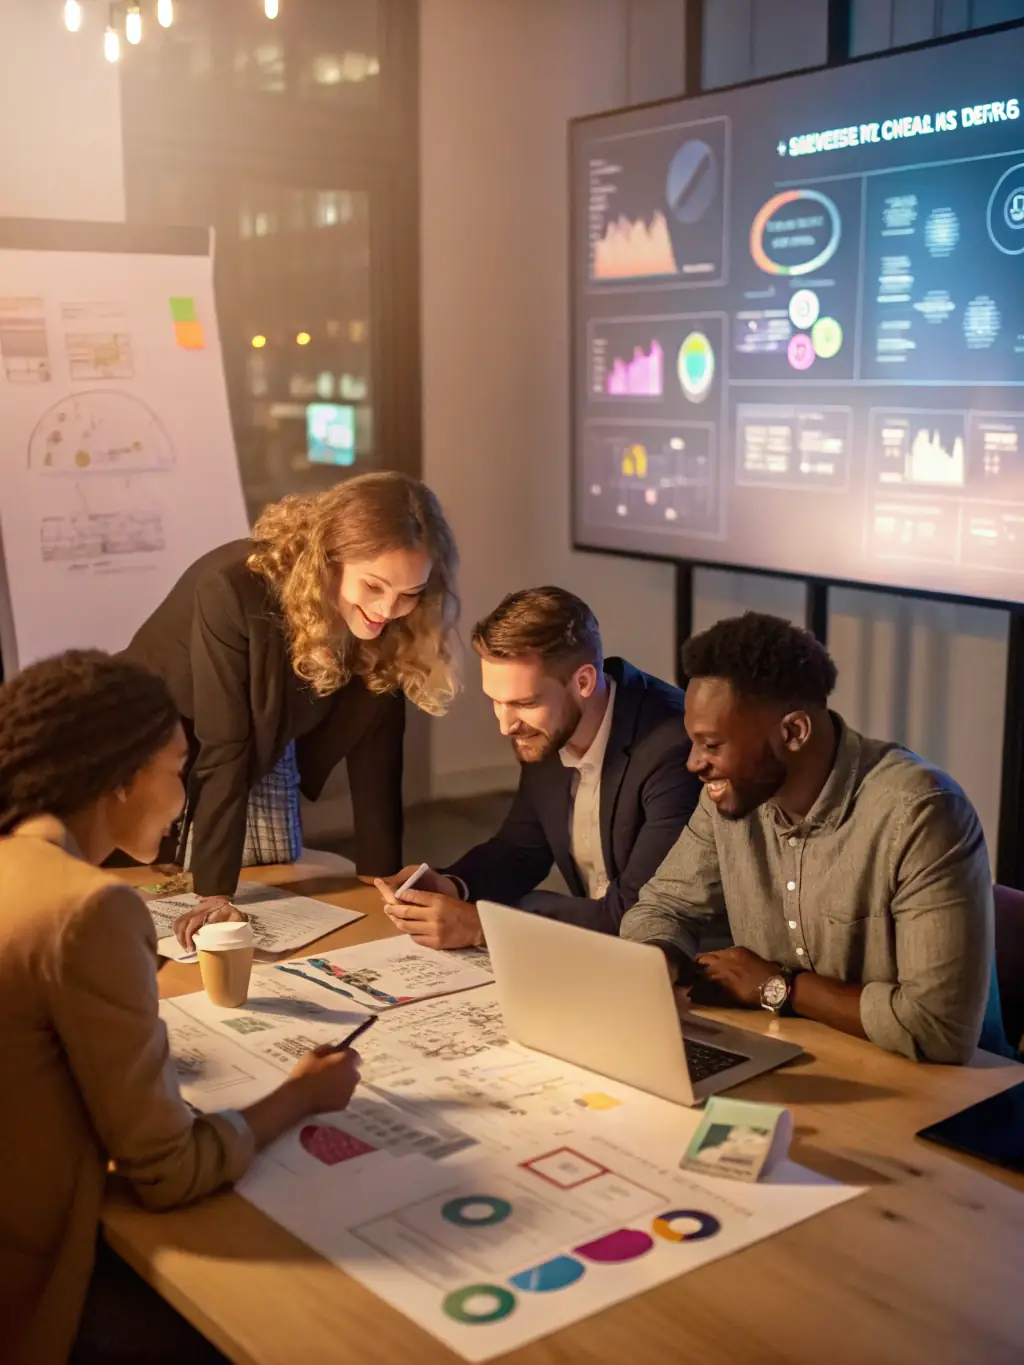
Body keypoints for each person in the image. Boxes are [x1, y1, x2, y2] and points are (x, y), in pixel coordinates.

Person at [0, 651, 362, 1365]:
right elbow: (170, 1171)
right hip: (34, 1292)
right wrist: (302, 1094)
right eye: (176, 769)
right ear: (123, 778)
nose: (184, 795)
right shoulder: (91, 908)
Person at [620, 611, 993, 1065]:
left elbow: (939, 1029)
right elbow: (661, 908)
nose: (694, 763)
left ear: (793, 732)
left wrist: (779, 986)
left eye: (712, 745)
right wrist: (659, 961)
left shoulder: (922, 813)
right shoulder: (729, 798)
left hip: (940, 1084)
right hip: (796, 1053)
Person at [124, 471, 459, 948]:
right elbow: (225, 746)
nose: (388, 609)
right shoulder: (233, 588)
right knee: (153, 898)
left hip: (261, 744)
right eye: (375, 586)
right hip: (154, 749)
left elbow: (378, 741)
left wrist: (381, 876)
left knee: (275, 879)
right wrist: (214, 893)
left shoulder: (387, 614)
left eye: (409, 593)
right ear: (330, 559)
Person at [378, 586, 701, 947]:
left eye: (525, 703)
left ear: (583, 682)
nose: (506, 726)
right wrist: (452, 885)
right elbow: (521, 849)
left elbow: (636, 915)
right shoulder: (550, 728)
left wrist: (485, 926)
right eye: (496, 701)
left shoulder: (672, 748)